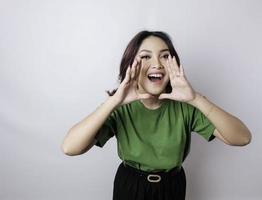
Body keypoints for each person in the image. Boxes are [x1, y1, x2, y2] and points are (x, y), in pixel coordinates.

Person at [61, 30, 252, 200]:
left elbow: (242, 138)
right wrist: (113, 101)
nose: (157, 64)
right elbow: (70, 148)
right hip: (130, 185)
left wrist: (195, 98)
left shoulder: (184, 107)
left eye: (165, 56)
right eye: (145, 57)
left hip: (172, 186)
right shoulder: (120, 109)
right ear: (131, 65)